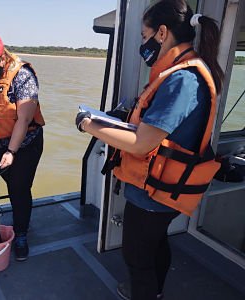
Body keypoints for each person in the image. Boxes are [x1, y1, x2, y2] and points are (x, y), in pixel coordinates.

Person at [75, 1, 223, 299]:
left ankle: (144, 292)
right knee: (154, 245)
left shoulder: (183, 79)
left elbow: (143, 143)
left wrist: (87, 124)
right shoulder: (177, 72)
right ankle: (154, 292)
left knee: (137, 258)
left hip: (153, 194)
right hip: (155, 189)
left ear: (162, 33)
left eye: (145, 36)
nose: (143, 43)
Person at [0, 32, 45, 261]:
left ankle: (21, 233)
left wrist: (12, 152)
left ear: (1, 57)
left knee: (19, 188)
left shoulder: (23, 76)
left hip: (25, 143)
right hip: (1, 142)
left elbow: (23, 119)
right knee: (9, 182)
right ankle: (21, 216)